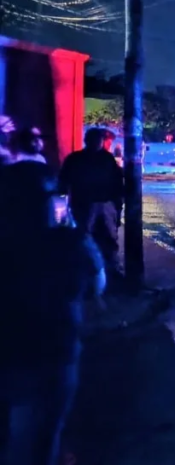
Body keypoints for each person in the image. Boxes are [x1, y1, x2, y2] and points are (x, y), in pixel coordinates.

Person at [0, 138, 105, 465]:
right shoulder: (72, 243)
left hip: (9, 351)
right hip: (53, 352)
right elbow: (97, 286)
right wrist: (69, 227)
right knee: (43, 435)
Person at [58, 128, 125, 288]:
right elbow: (64, 181)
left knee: (98, 237)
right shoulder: (99, 158)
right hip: (90, 203)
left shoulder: (82, 158)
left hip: (95, 203)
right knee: (95, 237)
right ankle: (100, 270)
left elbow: (64, 181)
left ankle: (103, 270)